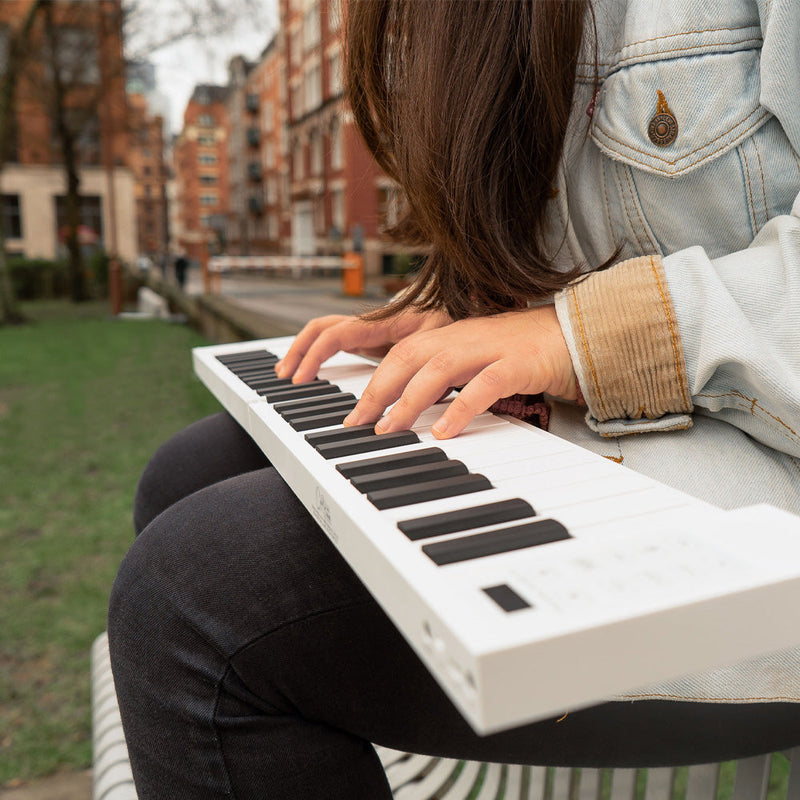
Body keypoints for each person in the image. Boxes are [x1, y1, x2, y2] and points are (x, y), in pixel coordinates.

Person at [107, 1, 800, 797]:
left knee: (190, 604)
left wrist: (579, 338)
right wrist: (469, 309)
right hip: (663, 425)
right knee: (184, 473)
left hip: (773, 487)